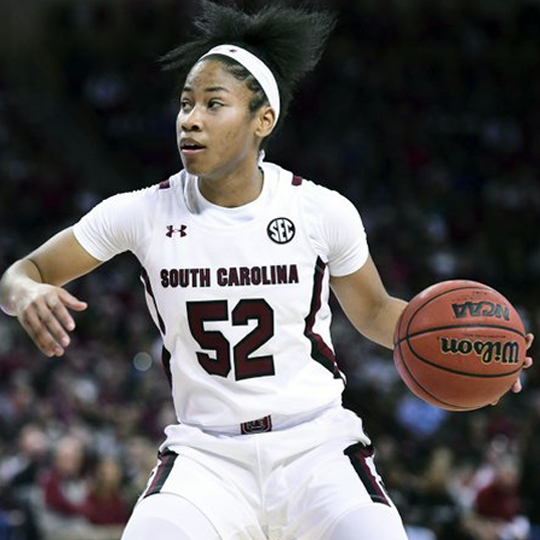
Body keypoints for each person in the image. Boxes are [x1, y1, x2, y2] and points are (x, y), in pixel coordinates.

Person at [0, 2, 533, 539]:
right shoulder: (139, 212)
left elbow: (374, 310)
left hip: (316, 446)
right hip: (208, 455)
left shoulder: (320, 210)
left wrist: (476, 347)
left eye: (213, 104)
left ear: (263, 120)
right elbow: (25, 271)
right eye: (186, 104)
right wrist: (23, 291)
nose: (190, 118)